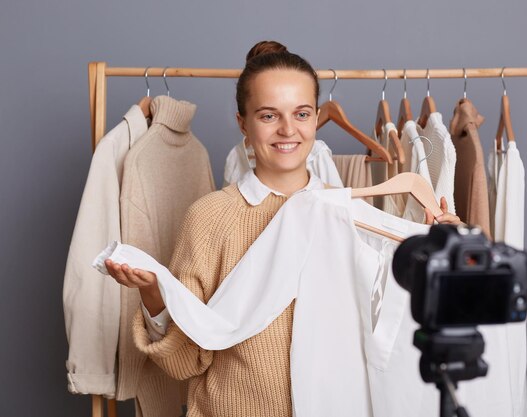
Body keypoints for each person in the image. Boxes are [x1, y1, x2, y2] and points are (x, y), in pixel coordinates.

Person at [105, 40, 461, 417]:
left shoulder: (350, 214)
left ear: (316, 117)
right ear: (243, 122)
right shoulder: (209, 219)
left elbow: (390, 336)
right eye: (269, 116)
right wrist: (154, 296)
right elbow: (186, 362)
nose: (288, 130)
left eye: (302, 114)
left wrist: (443, 248)